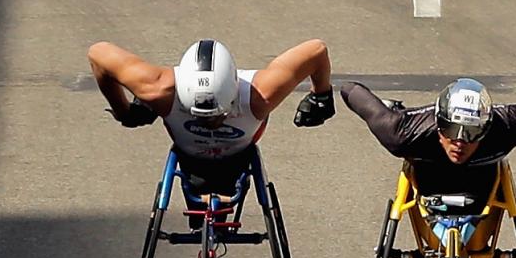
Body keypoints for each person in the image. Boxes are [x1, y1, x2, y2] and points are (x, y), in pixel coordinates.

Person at [341, 77, 516, 258]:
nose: (460, 142)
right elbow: (349, 88)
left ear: (486, 128)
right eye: (451, 131)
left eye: (472, 132)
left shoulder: (507, 125)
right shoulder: (401, 132)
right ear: (440, 124)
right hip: (428, 191)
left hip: (481, 191)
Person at [88, 37, 335, 224]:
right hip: (193, 160)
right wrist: (122, 110)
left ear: (234, 95)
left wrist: (321, 96)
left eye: (219, 116)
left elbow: (317, 50)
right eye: (201, 116)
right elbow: (97, 53)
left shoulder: (259, 95)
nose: (211, 124)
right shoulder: (158, 90)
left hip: (234, 160)